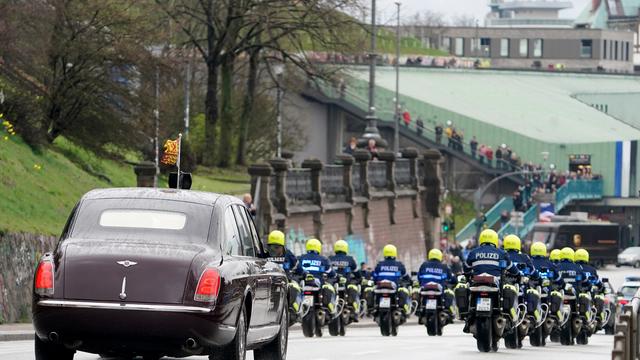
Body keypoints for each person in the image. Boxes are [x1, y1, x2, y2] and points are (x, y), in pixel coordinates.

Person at [461, 229, 519, 329]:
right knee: (505, 291)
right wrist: (517, 274)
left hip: (477, 282)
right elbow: (512, 269)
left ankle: (468, 315)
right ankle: (503, 313)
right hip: (494, 283)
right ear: (495, 240)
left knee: (467, 290)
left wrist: (467, 274)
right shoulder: (501, 253)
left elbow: (466, 268)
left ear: (481, 240)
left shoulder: (473, 252)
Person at [266, 230, 302, 318]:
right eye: (271, 247)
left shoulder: (289, 255)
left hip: (286, 284)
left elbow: (299, 268)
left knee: (295, 287)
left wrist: (305, 274)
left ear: (282, 247)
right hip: (268, 284)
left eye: (277, 247)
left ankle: (293, 310)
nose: (274, 249)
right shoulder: (264, 254)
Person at [296, 238, 338, 313]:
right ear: (318, 247)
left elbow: (297, 270)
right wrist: (334, 275)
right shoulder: (323, 259)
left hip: (304, 284)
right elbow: (331, 273)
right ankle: (329, 310)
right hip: (318, 285)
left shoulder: (301, 258)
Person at [372, 244, 412, 315]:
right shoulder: (399, 265)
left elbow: (374, 276)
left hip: (380, 287)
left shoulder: (379, 264)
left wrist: (375, 282)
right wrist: (409, 281)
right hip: (393, 287)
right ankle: (403, 309)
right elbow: (405, 275)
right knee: (403, 292)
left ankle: (375, 307)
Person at [417, 249, 457, 319]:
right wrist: (454, 280)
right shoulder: (444, 266)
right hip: (439, 291)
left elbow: (419, 277)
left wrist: (422, 283)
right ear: (440, 256)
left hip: (425, 290)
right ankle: (448, 310)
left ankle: (419, 309)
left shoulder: (424, 265)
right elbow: (452, 279)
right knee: (450, 293)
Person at [329, 240, 362, 320]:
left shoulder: (330, 258)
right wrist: (359, 278)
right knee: (355, 289)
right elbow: (356, 272)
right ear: (345, 248)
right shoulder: (350, 259)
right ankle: (355, 311)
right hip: (346, 284)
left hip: (333, 284)